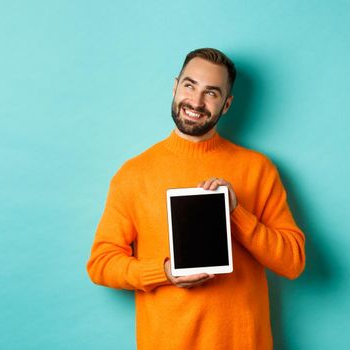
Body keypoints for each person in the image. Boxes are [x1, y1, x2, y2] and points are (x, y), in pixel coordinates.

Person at [87, 48, 306, 350]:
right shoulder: (134, 174)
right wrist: (164, 272)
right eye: (190, 86)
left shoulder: (258, 169)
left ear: (227, 104)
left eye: (211, 93)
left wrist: (236, 212)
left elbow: (293, 263)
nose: (196, 102)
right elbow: (101, 264)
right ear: (175, 86)